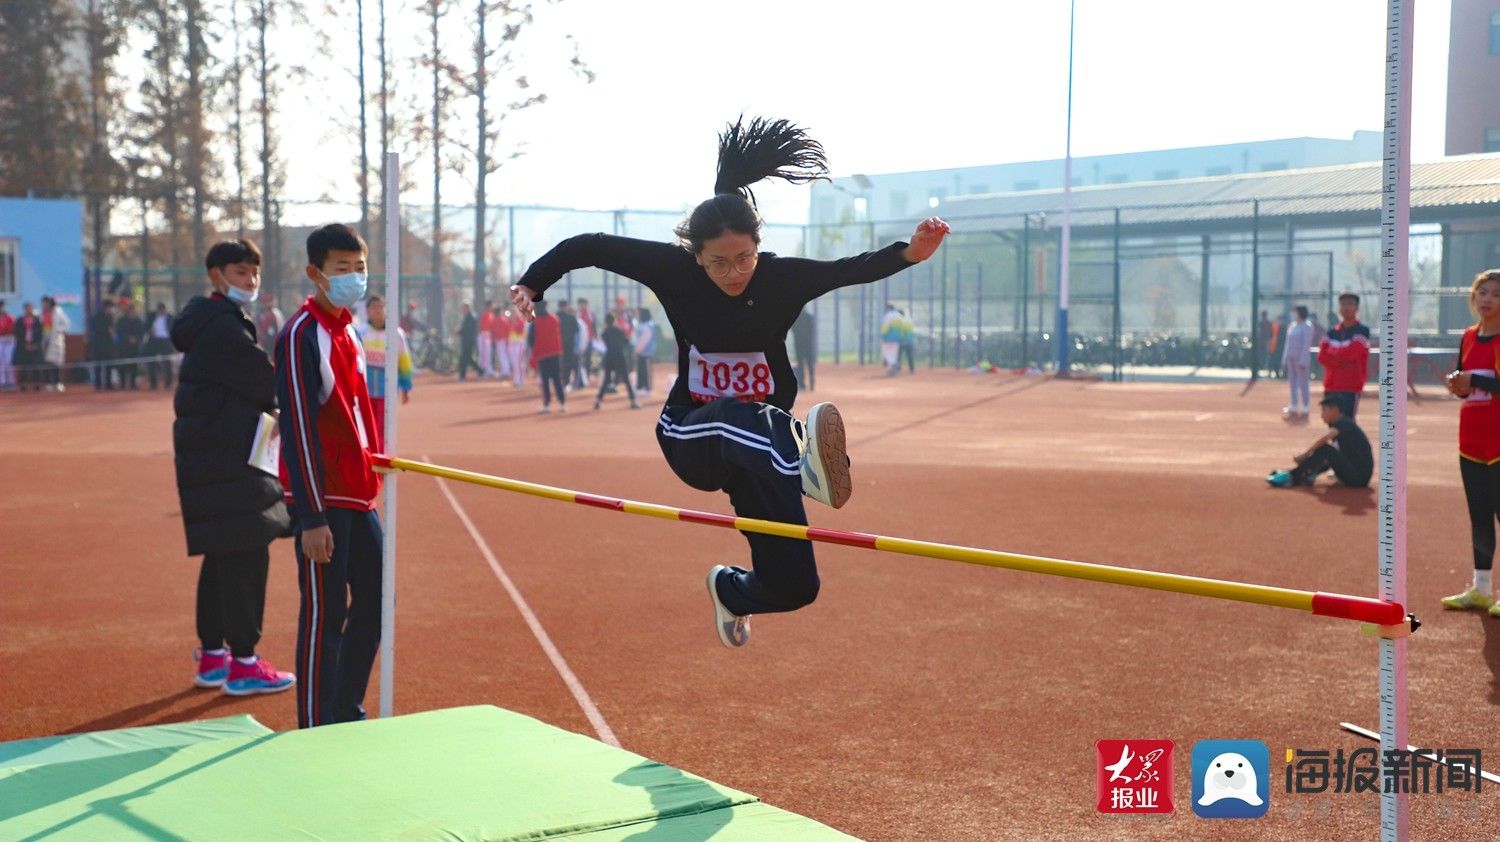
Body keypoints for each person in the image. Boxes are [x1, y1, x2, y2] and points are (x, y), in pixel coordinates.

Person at [509, 116, 950, 648]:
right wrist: (533, 283)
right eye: (717, 263)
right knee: (744, 418)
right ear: (695, 256)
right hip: (693, 433)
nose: (734, 272)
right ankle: (801, 462)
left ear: (759, 246)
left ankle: (734, 590)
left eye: (744, 257)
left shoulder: (782, 277)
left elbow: (847, 269)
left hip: (759, 455)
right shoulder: (673, 272)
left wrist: (910, 253)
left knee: (796, 584)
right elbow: (591, 246)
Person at [171, 239, 296, 696]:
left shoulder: (210, 323)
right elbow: (264, 380)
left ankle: (213, 656)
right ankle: (244, 661)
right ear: (217, 276)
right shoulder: (224, 326)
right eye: (240, 272)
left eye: (254, 273)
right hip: (229, 457)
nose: (250, 281)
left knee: (221, 552)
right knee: (246, 551)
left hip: (212, 457)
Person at [275, 223, 386, 728]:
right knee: (325, 616)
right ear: (315, 273)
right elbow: (297, 425)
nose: (354, 277)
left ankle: (346, 708)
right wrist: (311, 517)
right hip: (323, 500)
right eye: (343, 269)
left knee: (375, 604)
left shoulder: (350, 332)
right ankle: (316, 726)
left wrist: (376, 462)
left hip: (359, 495)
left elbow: (357, 415)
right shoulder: (302, 333)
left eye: (360, 268)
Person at [1440, 269, 1500, 615]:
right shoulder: (1467, 337)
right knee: (1478, 516)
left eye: (1495, 294)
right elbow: (1466, 384)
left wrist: (1474, 378)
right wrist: (1458, 384)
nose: (1487, 299)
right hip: (1471, 441)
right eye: (1482, 292)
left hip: (1499, 442)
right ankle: (1481, 589)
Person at [1266, 396, 1372, 489]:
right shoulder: (1343, 424)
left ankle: (1292, 476)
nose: (1322, 415)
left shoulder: (1344, 423)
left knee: (1326, 449)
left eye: (1324, 410)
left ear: (1334, 409)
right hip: (1358, 476)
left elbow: (1324, 439)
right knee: (1327, 452)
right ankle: (1306, 474)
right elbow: (1329, 459)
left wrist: (1305, 455)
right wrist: (1309, 464)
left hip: (1358, 478)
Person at [359, 294, 413, 441]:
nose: (377, 310)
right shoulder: (359, 333)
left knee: (384, 429)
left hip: (387, 390)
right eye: (373, 307)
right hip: (364, 391)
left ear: (386, 309)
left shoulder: (396, 334)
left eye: (380, 307)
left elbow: (404, 361)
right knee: (364, 428)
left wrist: (406, 388)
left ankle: (381, 458)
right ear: (367, 311)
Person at [1317, 292, 1370, 418]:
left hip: (1350, 387)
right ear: (1339, 308)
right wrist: (1342, 356)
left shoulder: (1362, 331)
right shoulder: (1331, 333)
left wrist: (1333, 354)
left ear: (1357, 308)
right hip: (1331, 386)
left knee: (1347, 425)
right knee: (1331, 423)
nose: (1346, 307)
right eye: (1343, 304)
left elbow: (1353, 354)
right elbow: (1322, 357)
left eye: (1350, 304)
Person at [593, 311, 639, 410]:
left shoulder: (604, 333)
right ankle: (633, 400)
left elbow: (604, 344)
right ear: (614, 321)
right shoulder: (620, 331)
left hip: (609, 357)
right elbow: (626, 342)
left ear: (605, 322)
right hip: (619, 356)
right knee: (626, 379)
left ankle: (598, 401)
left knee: (606, 380)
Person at [527, 299, 566, 413]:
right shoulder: (554, 318)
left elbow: (531, 339)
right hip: (555, 353)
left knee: (545, 380)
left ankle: (547, 404)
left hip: (542, 354)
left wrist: (534, 349)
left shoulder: (535, 321)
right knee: (557, 378)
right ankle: (562, 402)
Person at [1280, 306, 1314, 420]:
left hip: (1300, 359)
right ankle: (1294, 405)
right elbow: (1287, 343)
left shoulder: (1307, 326)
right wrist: (1284, 358)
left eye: (1295, 312)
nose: (1293, 314)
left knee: (1303, 383)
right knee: (1292, 383)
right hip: (1291, 358)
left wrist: (1303, 360)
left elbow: (1306, 344)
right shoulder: (1292, 326)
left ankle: (1305, 405)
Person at [87, 298, 118, 390]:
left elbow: (113, 329)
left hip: (108, 345)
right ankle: (98, 384)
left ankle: (108, 384)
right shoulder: (97, 316)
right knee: (98, 365)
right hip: (99, 344)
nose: (111, 309)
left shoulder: (110, 317)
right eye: (110, 307)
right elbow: (96, 329)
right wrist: (107, 331)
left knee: (109, 365)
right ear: (106, 307)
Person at [116, 300, 146, 390]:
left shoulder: (138, 321)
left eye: (134, 311)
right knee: (123, 366)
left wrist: (136, 338)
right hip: (124, 347)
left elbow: (141, 332)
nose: (133, 313)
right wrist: (127, 338)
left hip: (135, 347)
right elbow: (119, 331)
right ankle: (122, 384)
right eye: (131, 311)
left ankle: (133, 384)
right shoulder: (121, 320)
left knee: (134, 366)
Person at [13, 301, 43, 391]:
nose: (29, 310)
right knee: (23, 366)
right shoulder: (19, 320)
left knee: (36, 366)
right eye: (27, 308)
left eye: (31, 308)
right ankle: (23, 385)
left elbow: (40, 334)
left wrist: (36, 344)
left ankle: (36, 384)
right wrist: (24, 345)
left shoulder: (37, 320)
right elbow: (17, 334)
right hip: (22, 347)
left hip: (35, 347)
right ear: (24, 309)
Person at [41, 295, 69, 391]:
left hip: (56, 340)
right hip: (45, 339)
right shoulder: (42, 313)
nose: (44, 305)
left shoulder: (58, 312)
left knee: (57, 363)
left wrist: (57, 330)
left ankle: (58, 382)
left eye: (46, 303)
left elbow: (66, 324)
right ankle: (49, 382)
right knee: (47, 362)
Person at [146, 303, 176, 389]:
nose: (161, 312)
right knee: (151, 362)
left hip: (165, 341)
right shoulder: (151, 317)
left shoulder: (170, 318)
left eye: (162, 310)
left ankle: (168, 383)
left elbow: (174, 329)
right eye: (159, 310)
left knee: (167, 363)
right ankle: (153, 383)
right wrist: (149, 331)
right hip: (154, 341)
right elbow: (145, 327)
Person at [557, 299, 580, 392]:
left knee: (558, 364)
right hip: (569, 345)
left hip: (557, 345)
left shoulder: (555, 317)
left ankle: (558, 382)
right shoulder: (572, 318)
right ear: (566, 307)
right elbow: (577, 332)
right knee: (568, 364)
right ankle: (566, 383)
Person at [792, 306, 815, 390]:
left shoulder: (796, 318)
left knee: (800, 364)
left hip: (799, 344)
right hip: (808, 344)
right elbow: (812, 330)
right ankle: (812, 382)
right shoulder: (809, 317)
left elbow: (793, 330)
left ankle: (802, 384)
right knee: (810, 364)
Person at [633, 306, 656, 395]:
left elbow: (644, 340)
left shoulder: (648, 325)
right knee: (641, 370)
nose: (638, 315)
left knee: (646, 370)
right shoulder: (642, 324)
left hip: (646, 352)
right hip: (641, 352)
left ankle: (647, 388)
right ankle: (640, 386)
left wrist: (638, 349)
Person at [455, 300, 479, 380]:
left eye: (464, 308)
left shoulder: (471, 317)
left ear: (468, 308)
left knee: (464, 358)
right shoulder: (467, 317)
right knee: (467, 358)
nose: (463, 310)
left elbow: (467, 329)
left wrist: (459, 331)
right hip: (466, 341)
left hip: (469, 341)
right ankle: (480, 371)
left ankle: (462, 376)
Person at [879, 303, 902, 375]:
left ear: (888, 309)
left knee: (887, 353)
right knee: (893, 354)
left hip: (888, 337)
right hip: (897, 338)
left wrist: (883, 336)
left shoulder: (888, 316)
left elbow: (885, 327)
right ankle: (893, 366)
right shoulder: (899, 316)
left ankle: (892, 367)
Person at [477, 300, 496, 378]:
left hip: (487, 336)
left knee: (487, 354)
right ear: (488, 306)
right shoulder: (485, 315)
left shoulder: (491, 315)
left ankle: (488, 370)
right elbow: (481, 326)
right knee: (483, 355)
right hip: (483, 336)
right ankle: (482, 371)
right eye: (491, 305)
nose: (492, 307)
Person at [0, 299, 15, 391]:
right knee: (0, 361)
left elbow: (12, 329)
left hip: (9, 341)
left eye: (3, 306)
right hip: (0, 340)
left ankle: (10, 382)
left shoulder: (10, 317)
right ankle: (1, 382)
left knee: (9, 361)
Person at [896, 307, 917, 374]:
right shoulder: (910, 320)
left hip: (901, 341)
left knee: (898, 356)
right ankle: (912, 369)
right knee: (910, 356)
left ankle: (898, 369)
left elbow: (898, 331)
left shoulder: (899, 320)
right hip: (909, 341)